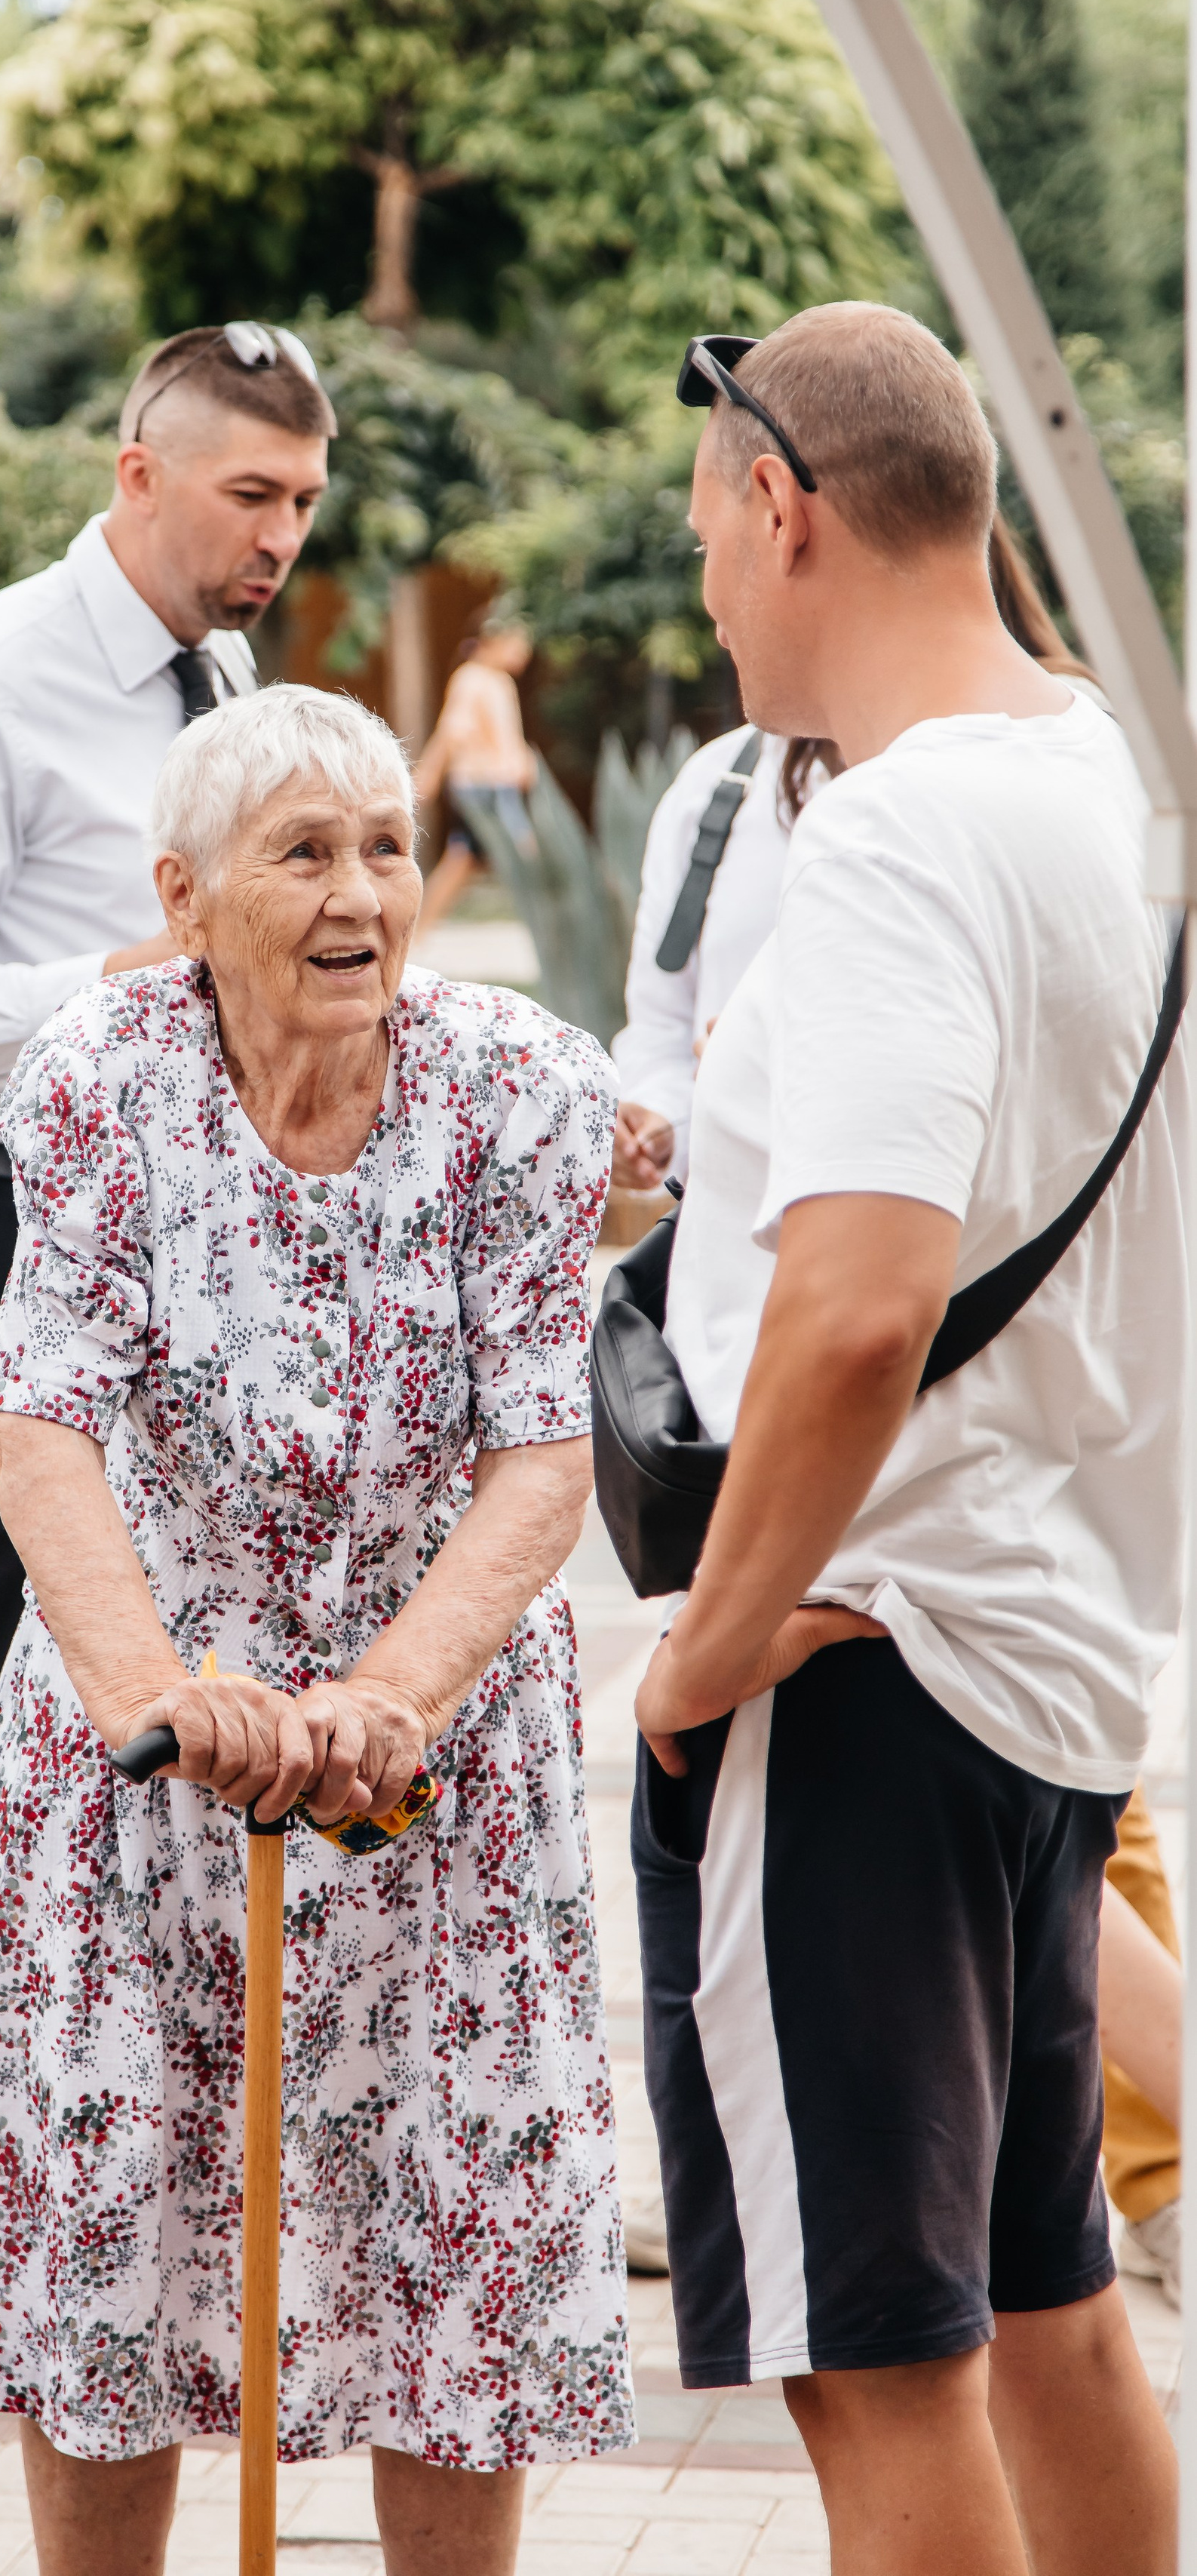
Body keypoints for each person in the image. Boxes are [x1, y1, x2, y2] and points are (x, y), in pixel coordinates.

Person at [0, 686, 631, 2574]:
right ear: (185, 893)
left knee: (446, 2248)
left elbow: (540, 1442)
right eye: (302, 850)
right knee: (121, 2247)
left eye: (384, 845)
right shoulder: (96, 1072)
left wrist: (392, 1688)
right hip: (151, 1712)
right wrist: (149, 1688)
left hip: (433, 1737)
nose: (359, 892)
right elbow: (40, 1411)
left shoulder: (519, 1085)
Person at [632, 302, 1183, 2574]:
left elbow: (853, 1307)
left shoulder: (883, 846)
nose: (700, 588)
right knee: (1047, 2298)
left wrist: (697, 1646)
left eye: (701, 534)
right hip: (1044, 1653)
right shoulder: (1095, 785)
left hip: (862, 1667)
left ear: (780, 505)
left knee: (878, 2366)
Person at [0, 322, 335, 2153]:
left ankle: (113, 2131)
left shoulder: (223, 673)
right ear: (138, 476)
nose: (279, 531)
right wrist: (116, 987)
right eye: (247, 493)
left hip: (184, 1248)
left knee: (153, 1673)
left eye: (301, 499)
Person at [613, 512, 1085, 1191]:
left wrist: (777, 1064)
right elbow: (660, 1029)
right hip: (746, 1237)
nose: (717, 607)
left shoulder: (1032, 785)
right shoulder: (715, 792)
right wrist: (657, 1115)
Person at [410, 612, 539, 936]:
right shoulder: (472, 678)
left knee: (462, 859)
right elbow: (452, 732)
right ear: (493, 641)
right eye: (518, 644)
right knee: (525, 852)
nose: (524, 652)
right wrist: (429, 774)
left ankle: (418, 932)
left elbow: (505, 738)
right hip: (484, 784)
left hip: (495, 782)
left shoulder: (497, 680)